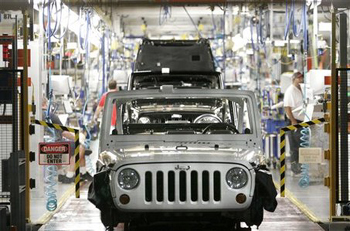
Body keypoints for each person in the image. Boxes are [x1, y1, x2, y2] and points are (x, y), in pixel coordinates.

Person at [42, 97, 93, 183]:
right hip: (54, 145)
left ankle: (63, 173)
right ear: (46, 104)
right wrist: (78, 138)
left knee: (77, 146)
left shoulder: (34, 115)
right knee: (81, 147)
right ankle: (69, 176)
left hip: (43, 144)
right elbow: (64, 133)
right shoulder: (51, 116)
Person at [283, 71, 304, 175]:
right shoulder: (290, 90)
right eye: (299, 78)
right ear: (294, 79)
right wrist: (293, 121)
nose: (301, 80)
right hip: (294, 122)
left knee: (301, 145)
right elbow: (287, 107)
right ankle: (295, 169)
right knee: (295, 147)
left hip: (302, 122)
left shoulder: (300, 89)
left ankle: (300, 168)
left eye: (301, 78)